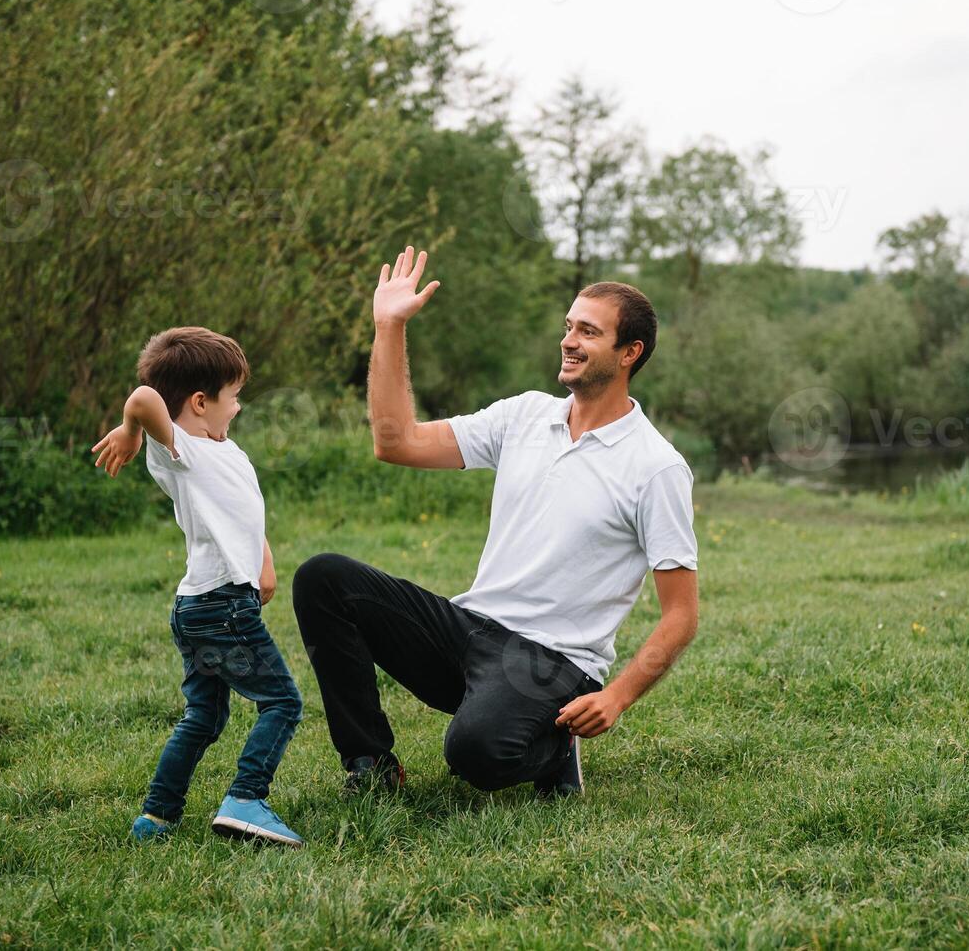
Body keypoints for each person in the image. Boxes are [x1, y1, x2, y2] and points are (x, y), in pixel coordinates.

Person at [293, 246, 699, 798]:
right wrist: (389, 327)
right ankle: (371, 766)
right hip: (470, 630)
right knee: (325, 578)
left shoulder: (656, 467)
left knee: (476, 754)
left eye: (588, 332)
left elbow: (681, 615)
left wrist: (616, 697)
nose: (568, 340)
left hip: (552, 662)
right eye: (568, 326)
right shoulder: (523, 416)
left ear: (629, 352)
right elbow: (396, 442)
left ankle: (557, 746)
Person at [91, 327, 305, 846]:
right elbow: (143, 398)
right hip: (221, 606)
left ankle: (157, 816)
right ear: (200, 402)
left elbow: (241, 511)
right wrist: (131, 431)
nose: (238, 407)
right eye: (233, 397)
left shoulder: (225, 452)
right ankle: (246, 799)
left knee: (204, 716)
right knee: (282, 702)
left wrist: (264, 564)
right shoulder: (180, 450)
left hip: (205, 604)